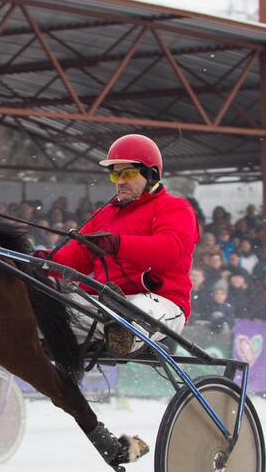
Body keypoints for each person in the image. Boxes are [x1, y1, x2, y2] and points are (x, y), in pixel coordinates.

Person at [45, 134, 198, 354]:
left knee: (127, 317)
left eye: (128, 173)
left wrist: (118, 244)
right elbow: (76, 257)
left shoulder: (175, 207)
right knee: (43, 305)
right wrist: (42, 260)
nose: (120, 181)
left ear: (151, 174)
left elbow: (171, 250)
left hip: (160, 301)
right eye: (115, 175)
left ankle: (122, 332)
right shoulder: (103, 215)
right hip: (104, 301)